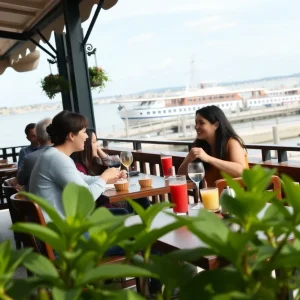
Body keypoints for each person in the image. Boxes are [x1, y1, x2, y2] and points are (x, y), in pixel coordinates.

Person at [29, 110, 125, 223]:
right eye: (84, 132)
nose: (86, 137)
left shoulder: (53, 155)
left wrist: (111, 177)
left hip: (59, 224)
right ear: (71, 136)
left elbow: (83, 179)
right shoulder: (57, 159)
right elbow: (86, 198)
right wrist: (104, 177)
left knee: (122, 214)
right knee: (122, 217)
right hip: (63, 231)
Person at [71, 128, 151, 212]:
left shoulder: (96, 161)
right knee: (129, 207)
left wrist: (118, 174)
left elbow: (116, 163)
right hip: (100, 205)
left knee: (141, 198)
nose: (98, 145)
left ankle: (148, 222)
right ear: (86, 144)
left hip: (110, 199)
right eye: (94, 142)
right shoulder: (78, 167)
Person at [178, 105, 249, 187]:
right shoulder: (199, 146)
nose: (196, 127)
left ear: (216, 125)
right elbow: (180, 175)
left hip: (236, 197)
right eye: (196, 122)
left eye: (201, 123)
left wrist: (208, 158)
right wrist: (189, 159)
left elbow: (241, 171)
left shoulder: (232, 142)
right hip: (214, 196)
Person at [18, 118, 52, 191]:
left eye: (37, 135)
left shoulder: (53, 151)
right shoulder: (25, 153)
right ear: (28, 138)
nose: (36, 138)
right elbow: (20, 176)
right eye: (33, 136)